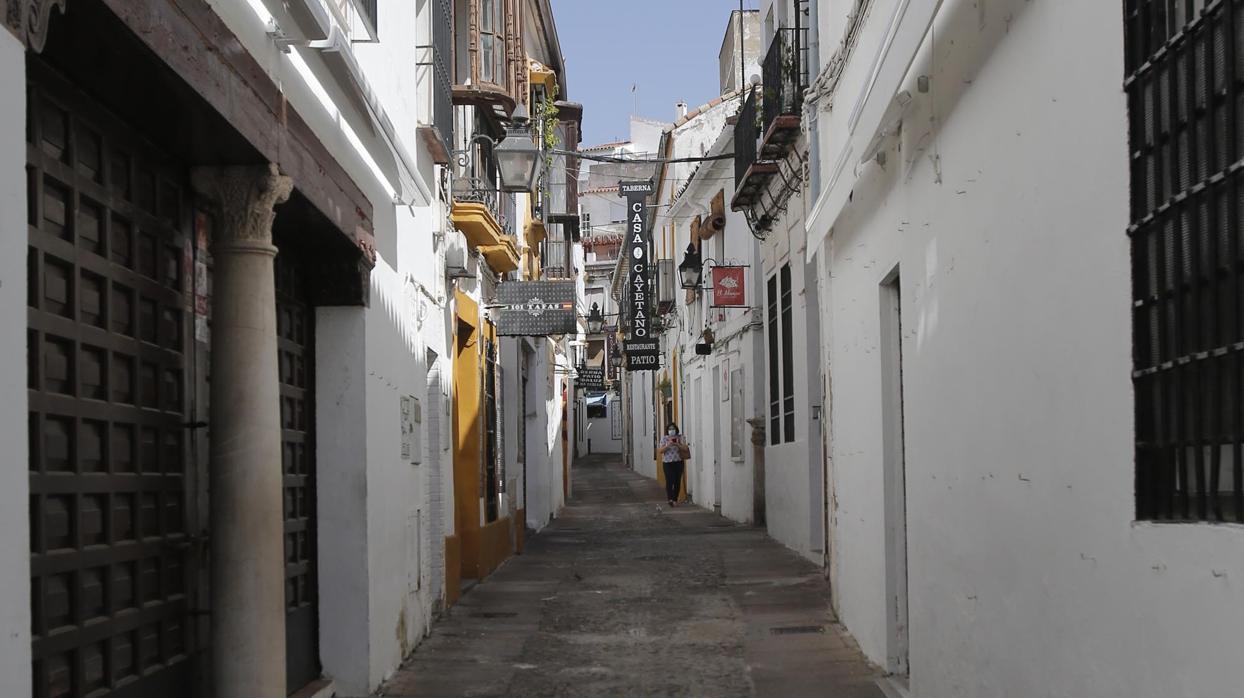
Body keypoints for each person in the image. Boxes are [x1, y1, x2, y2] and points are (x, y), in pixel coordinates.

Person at [658, 423, 688, 507]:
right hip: (667, 463)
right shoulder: (664, 438)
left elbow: (685, 449)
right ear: (667, 430)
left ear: (676, 429)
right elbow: (660, 451)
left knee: (677, 481)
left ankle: (675, 499)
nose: (671, 430)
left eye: (673, 429)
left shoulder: (680, 437)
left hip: (678, 462)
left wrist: (677, 444)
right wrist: (668, 445)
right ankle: (670, 499)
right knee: (669, 480)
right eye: (670, 429)